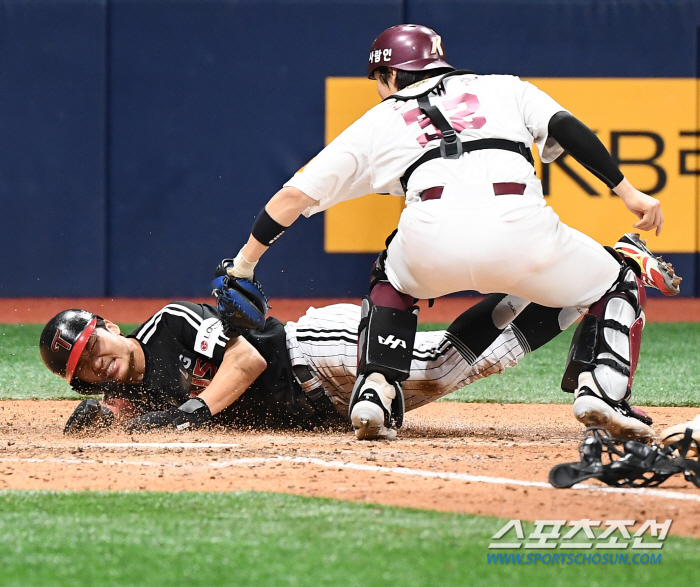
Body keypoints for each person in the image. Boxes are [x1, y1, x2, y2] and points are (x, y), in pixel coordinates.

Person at [218, 24, 674, 442]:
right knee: (617, 278)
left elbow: (290, 200)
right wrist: (629, 193)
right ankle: (602, 388)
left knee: (391, 277)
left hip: (429, 241)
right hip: (523, 229)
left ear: (390, 73)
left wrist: (244, 264)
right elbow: (567, 130)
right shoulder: (505, 87)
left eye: (379, 79)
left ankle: (376, 388)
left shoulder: (380, 120)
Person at [38, 293, 619, 435]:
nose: (97, 362)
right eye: (83, 369)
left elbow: (245, 359)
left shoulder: (169, 325)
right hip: (327, 402)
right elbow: (126, 408)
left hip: (316, 350)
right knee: (463, 366)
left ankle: (564, 280)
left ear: (109, 327)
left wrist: (193, 412)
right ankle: (578, 298)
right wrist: (103, 415)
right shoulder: (129, 390)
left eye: (94, 346)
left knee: (439, 361)